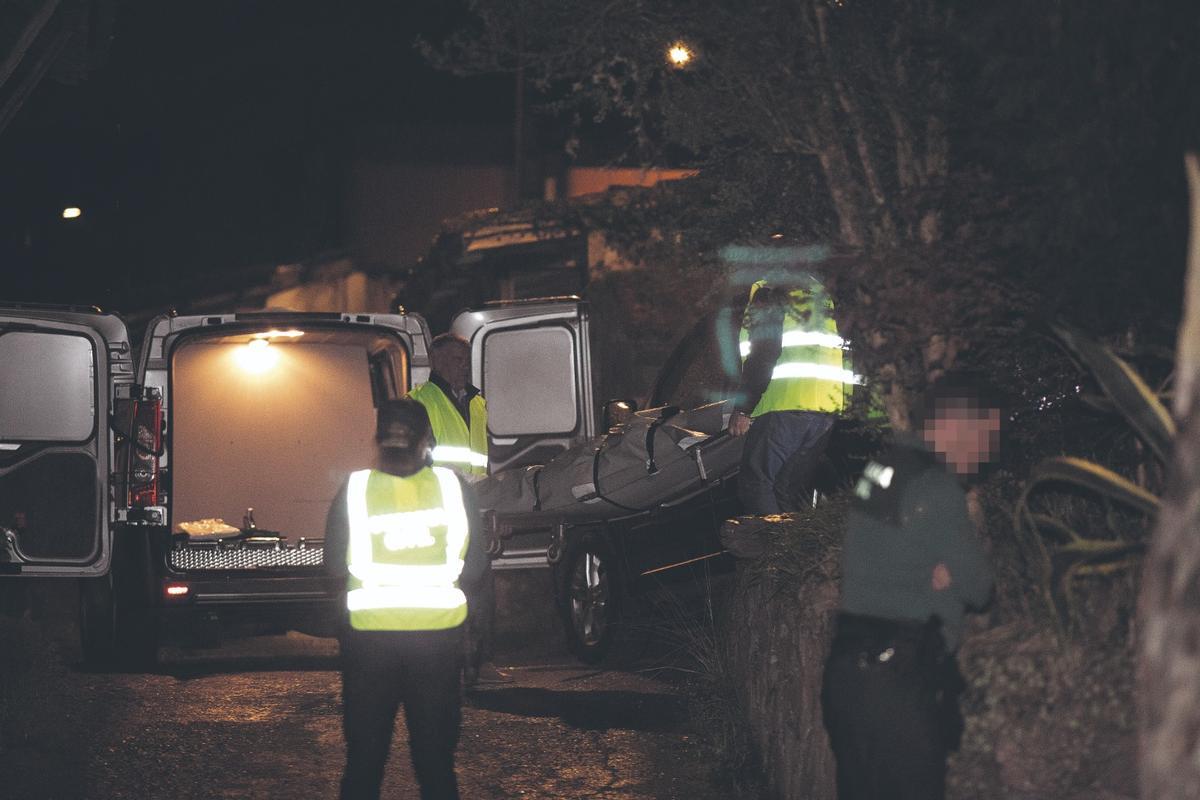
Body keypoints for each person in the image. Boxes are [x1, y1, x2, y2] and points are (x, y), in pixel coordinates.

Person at [821, 374, 999, 800]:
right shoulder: (937, 487)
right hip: (898, 686)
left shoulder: (882, 468)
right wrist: (946, 577)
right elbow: (978, 587)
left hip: (847, 674)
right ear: (952, 427)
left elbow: (882, 552)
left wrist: (931, 569)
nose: (987, 450)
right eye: (983, 435)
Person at [324, 397, 488, 800]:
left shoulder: (355, 489)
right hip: (436, 645)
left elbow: (331, 567)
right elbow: (477, 567)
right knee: (435, 765)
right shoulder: (452, 488)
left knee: (364, 761)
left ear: (379, 440)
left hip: (369, 646)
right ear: (426, 441)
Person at [408, 333, 508, 687]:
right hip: (440, 508)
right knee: (445, 587)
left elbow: (479, 461)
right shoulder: (420, 402)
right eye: (453, 360)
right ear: (435, 362)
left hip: (477, 504)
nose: (462, 367)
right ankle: (442, 665)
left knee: (481, 584)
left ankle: (482, 664)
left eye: (465, 360)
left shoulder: (477, 402)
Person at [727, 269, 856, 513]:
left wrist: (743, 409)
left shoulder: (769, 290)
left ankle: (776, 550)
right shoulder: (820, 292)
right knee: (784, 491)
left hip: (786, 404)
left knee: (755, 484)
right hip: (824, 409)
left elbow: (764, 351)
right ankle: (792, 548)